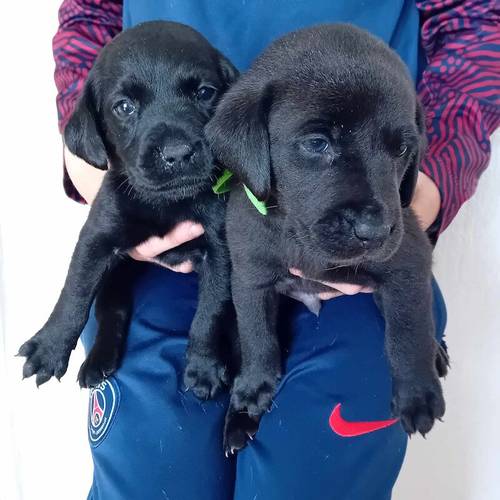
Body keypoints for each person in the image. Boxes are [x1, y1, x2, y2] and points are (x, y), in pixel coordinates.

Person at [53, 1, 499, 499]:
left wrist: (433, 170)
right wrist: (95, 159)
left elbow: (475, 21)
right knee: (156, 457)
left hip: (366, 234)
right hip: (170, 229)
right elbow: (89, 17)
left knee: (315, 468)